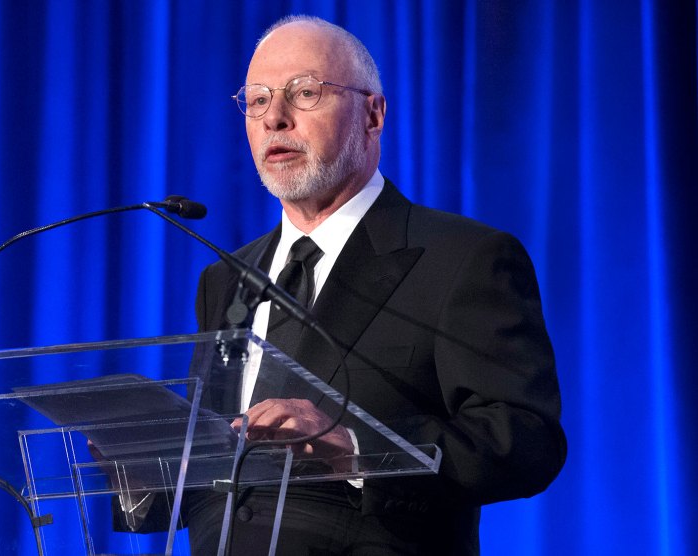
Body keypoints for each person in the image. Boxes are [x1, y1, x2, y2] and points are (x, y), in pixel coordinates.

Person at [178, 14, 567, 555]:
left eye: (305, 93)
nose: (276, 119)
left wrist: (357, 448)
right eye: (258, 99)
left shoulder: (462, 259)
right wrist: (137, 459)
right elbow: (216, 466)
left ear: (373, 113)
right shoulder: (224, 279)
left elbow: (524, 441)